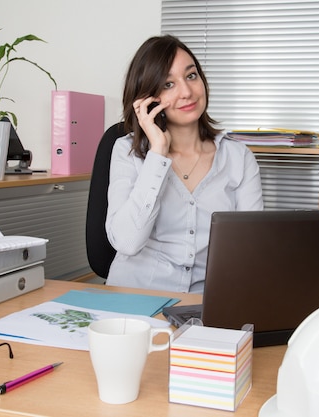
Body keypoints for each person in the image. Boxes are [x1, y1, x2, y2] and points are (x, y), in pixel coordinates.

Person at [105, 35, 264, 293]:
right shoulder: (127, 152)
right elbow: (127, 242)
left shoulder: (238, 157)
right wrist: (157, 155)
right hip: (136, 298)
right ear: (147, 98)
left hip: (207, 302)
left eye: (191, 76)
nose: (187, 92)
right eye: (168, 84)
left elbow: (251, 248)